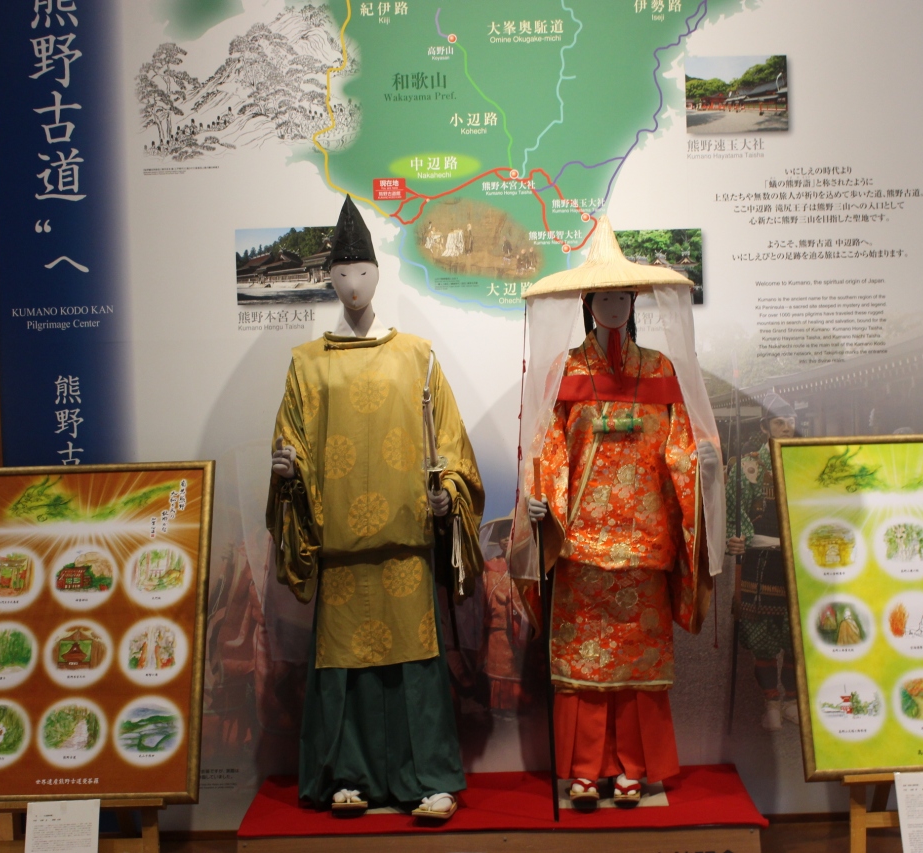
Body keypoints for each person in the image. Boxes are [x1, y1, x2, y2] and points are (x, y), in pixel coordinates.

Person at [266, 196, 485, 820]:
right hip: (340, 550)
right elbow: (291, 443)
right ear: (329, 279)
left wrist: (448, 493)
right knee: (347, 669)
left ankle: (428, 779)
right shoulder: (307, 364)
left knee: (415, 668)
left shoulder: (417, 354)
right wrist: (287, 474)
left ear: (377, 275)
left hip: (406, 545)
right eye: (342, 273)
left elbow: (449, 445)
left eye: (362, 271)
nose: (353, 283)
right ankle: (348, 775)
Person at [522, 222, 722, 809]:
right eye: (603, 297)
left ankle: (635, 768)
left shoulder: (660, 370)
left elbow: (681, 443)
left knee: (638, 665)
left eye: (622, 297)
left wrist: (701, 464)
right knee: (584, 666)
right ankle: (585, 769)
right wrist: (542, 498)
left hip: (645, 539)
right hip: (580, 543)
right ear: (587, 303)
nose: (613, 306)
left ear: (634, 302)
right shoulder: (564, 371)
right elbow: (546, 446)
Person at [726, 392, 799, 731]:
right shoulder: (748, 467)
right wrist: (737, 537)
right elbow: (735, 510)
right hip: (760, 560)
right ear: (764, 427)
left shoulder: (806, 462)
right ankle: (771, 701)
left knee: (797, 635)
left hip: (799, 561)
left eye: (790, 421)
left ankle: (793, 701)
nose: (786, 427)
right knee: (761, 636)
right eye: (779, 422)